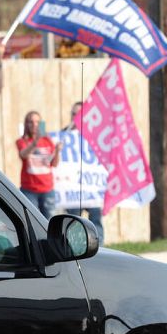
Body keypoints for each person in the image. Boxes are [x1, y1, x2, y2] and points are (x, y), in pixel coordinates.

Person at [64, 101, 104, 244]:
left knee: (96, 219)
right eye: (73, 114)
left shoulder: (96, 137)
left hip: (91, 187)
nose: (76, 117)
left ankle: (99, 249)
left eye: (79, 114)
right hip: (72, 189)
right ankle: (74, 247)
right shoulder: (63, 136)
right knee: (73, 221)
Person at [16, 111, 62, 218]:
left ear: (41, 124)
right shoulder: (22, 141)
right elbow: (23, 154)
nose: (34, 125)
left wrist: (57, 151)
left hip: (47, 189)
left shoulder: (48, 140)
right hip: (29, 189)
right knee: (31, 219)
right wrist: (35, 143)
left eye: (37, 122)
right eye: (31, 122)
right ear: (26, 124)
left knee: (49, 222)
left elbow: (54, 164)